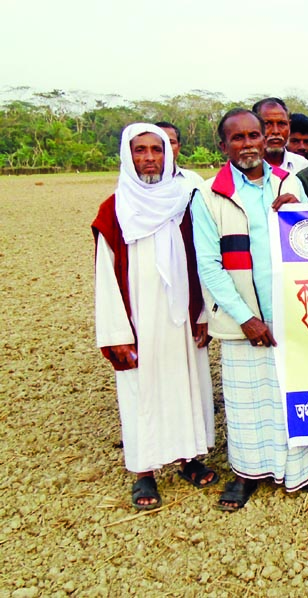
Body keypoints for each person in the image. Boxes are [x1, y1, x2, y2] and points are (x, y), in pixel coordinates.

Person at [191, 109, 308, 510]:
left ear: (266, 139)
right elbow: (208, 264)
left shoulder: (290, 181)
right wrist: (245, 318)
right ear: (223, 145)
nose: (247, 144)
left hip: (290, 314)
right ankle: (246, 475)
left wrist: (300, 210)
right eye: (237, 138)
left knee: (289, 395)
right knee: (247, 403)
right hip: (240, 319)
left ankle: (297, 471)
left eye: (253, 135)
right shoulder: (209, 195)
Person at [93, 123, 217, 510]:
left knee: (187, 386)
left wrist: (202, 313)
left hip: (181, 313)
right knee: (140, 392)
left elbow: (202, 260)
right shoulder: (114, 207)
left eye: (156, 150)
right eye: (140, 150)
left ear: (168, 154)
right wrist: (116, 332)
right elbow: (106, 276)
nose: (149, 158)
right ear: (127, 156)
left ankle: (189, 459)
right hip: (138, 318)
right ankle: (144, 472)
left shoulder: (184, 198)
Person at [252, 98, 308, 173]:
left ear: (289, 126)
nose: (276, 131)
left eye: (282, 124)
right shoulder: (245, 166)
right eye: (267, 124)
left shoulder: (302, 166)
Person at [155, 121, 206, 197]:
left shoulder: (194, 180)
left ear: (179, 147)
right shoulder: (134, 184)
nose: (166, 147)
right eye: (160, 141)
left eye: (171, 142)